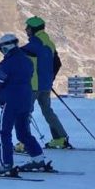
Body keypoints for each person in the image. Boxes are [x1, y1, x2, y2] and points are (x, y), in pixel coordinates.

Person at [0, 33, 48, 176]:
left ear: (6, 47)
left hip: (10, 100)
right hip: (25, 100)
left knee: (4, 133)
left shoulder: (7, 63)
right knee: (23, 133)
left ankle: (6, 165)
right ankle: (38, 160)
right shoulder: (26, 60)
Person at [21, 16, 71, 149]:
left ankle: (25, 142)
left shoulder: (34, 45)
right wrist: (49, 78)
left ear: (33, 29)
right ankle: (60, 138)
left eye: (28, 28)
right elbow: (57, 63)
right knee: (48, 111)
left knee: (24, 113)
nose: (26, 30)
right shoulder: (49, 43)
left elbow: (15, 56)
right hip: (46, 86)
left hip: (33, 86)